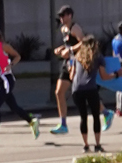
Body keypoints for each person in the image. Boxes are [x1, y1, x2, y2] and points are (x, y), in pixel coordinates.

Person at [0, 25, 39, 144]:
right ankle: (32, 121)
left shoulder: (4, 46)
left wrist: (10, 65)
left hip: (6, 80)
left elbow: (18, 56)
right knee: (14, 107)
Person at [70, 35, 106, 153]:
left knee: (83, 117)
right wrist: (117, 74)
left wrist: (71, 64)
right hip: (91, 88)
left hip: (77, 89)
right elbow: (104, 76)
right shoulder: (98, 56)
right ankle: (97, 144)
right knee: (96, 116)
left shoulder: (77, 57)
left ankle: (85, 145)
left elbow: (71, 76)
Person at [51, 5, 79, 135]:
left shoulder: (75, 28)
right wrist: (61, 49)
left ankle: (105, 112)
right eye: (60, 16)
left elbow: (84, 43)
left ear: (70, 16)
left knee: (82, 93)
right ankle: (63, 124)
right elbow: (68, 44)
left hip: (77, 62)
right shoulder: (63, 29)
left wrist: (71, 50)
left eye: (63, 16)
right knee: (59, 92)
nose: (61, 18)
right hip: (67, 63)